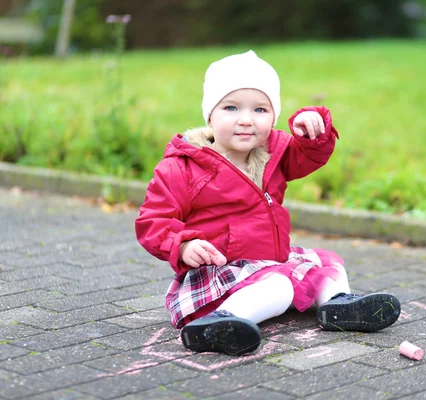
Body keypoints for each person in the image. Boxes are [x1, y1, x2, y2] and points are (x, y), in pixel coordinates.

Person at [135, 50, 401, 356]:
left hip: (270, 262)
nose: (246, 120)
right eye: (231, 108)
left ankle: (337, 304)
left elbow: (308, 157)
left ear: (273, 116)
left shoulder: (275, 152)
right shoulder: (184, 167)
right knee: (279, 286)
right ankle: (223, 321)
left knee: (326, 263)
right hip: (220, 272)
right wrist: (182, 245)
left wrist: (311, 130)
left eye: (260, 110)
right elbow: (153, 221)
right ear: (210, 115)